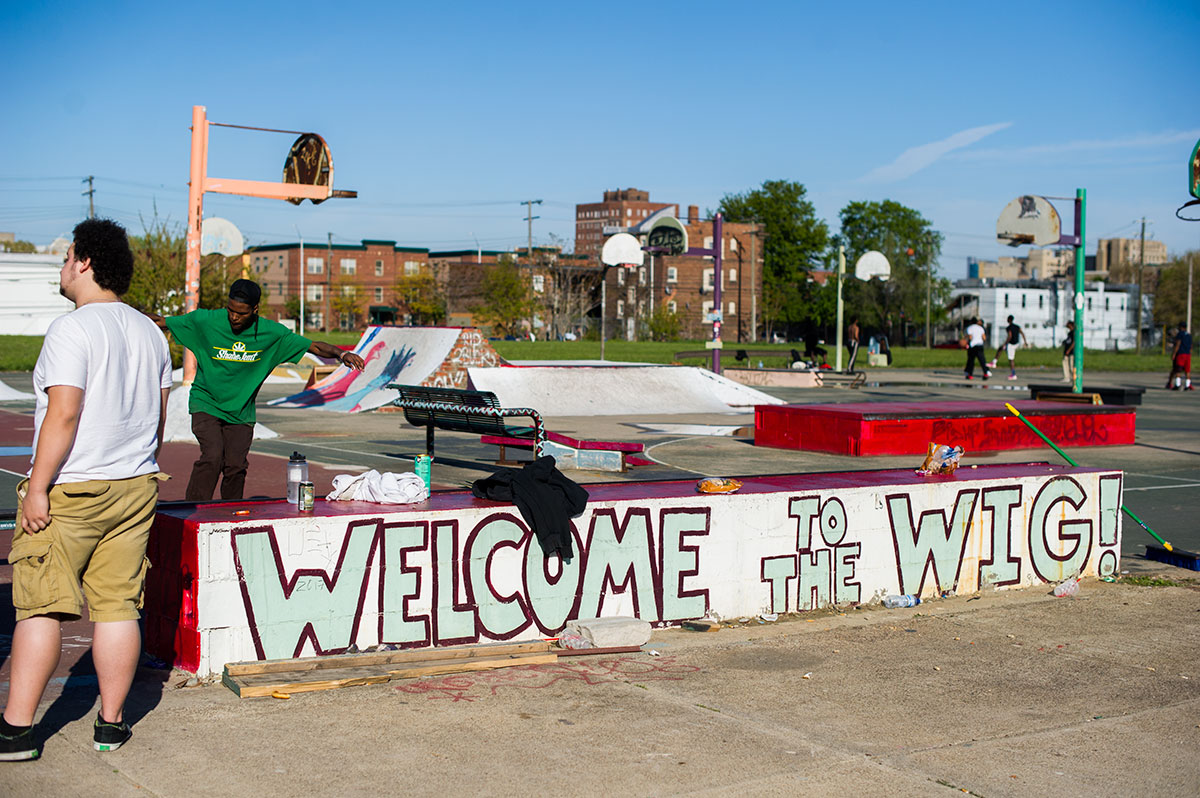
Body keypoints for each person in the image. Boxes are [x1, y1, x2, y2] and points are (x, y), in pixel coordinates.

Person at [1, 219, 172, 761]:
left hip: (73, 488)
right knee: (119, 606)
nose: (61, 265)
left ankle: (17, 730)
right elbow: (159, 418)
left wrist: (38, 488)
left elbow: (64, 412)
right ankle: (111, 724)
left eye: (66, 255)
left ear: (86, 263)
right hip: (136, 484)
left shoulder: (71, 329)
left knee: (41, 608)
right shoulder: (149, 331)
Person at [148, 279, 365, 501]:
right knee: (212, 456)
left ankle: (230, 511)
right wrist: (119, 311)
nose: (234, 317)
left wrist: (341, 354)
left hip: (241, 411)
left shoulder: (271, 334)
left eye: (241, 314)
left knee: (236, 466)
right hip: (206, 403)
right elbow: (161, 321)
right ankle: (192, 510)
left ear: (255, 310)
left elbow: (314, 346)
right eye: (231, 310)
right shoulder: (206, 320)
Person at [989, 315, 1028, 380]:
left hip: (1011, 344)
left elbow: (1010, 336)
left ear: (1009, 320)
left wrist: (1005, 344)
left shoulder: (1009, 328)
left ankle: (1013, 374)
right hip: (1016, 343)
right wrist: (1025, 342)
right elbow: (1022, 333)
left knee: (1011, 359)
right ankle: (994, 362)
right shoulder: (1017, 327)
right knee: (1000, 349)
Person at [1166, 322, 1193, 390]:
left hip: (1181, 354)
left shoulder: (1180, 334)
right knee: (1187, 370)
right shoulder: (1189, 335)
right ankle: (1187, 385)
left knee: (1178, 370)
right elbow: (1191, 346)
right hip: (1187, 354)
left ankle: (1177, 384)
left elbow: (1178, 344)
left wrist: (1174, 354)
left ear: (1181, 327)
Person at [1061, 320, 1076, 384]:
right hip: (1067, 352)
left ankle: (1074, 377)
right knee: (1065, 364)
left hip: (1071, 352)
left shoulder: (1074, 333)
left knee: (1071, 365)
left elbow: (1074, 343)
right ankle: (1067, 377)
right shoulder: (1070, 333)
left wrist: (1069, 350)